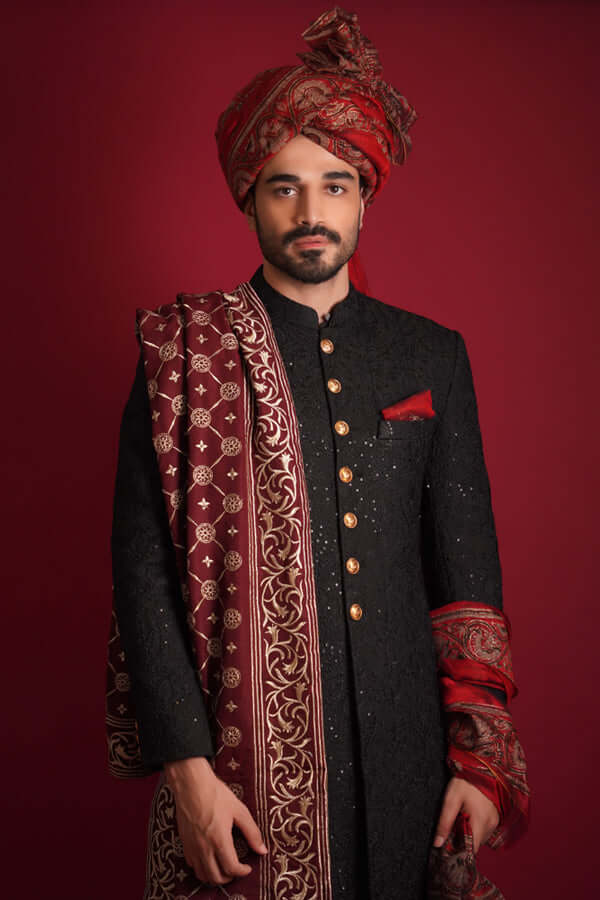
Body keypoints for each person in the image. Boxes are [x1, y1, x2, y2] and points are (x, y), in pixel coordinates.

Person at [106, 8, 529, 899]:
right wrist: (189, 777)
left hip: (413, 772)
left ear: (366, 194)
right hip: (238, 774)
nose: (312, 212)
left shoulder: (430, 355)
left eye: (336, 185)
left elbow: (466, 573)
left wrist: (480, 762)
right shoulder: (185, 359)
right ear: (249, 197)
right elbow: (142, 582)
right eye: (284, 187)